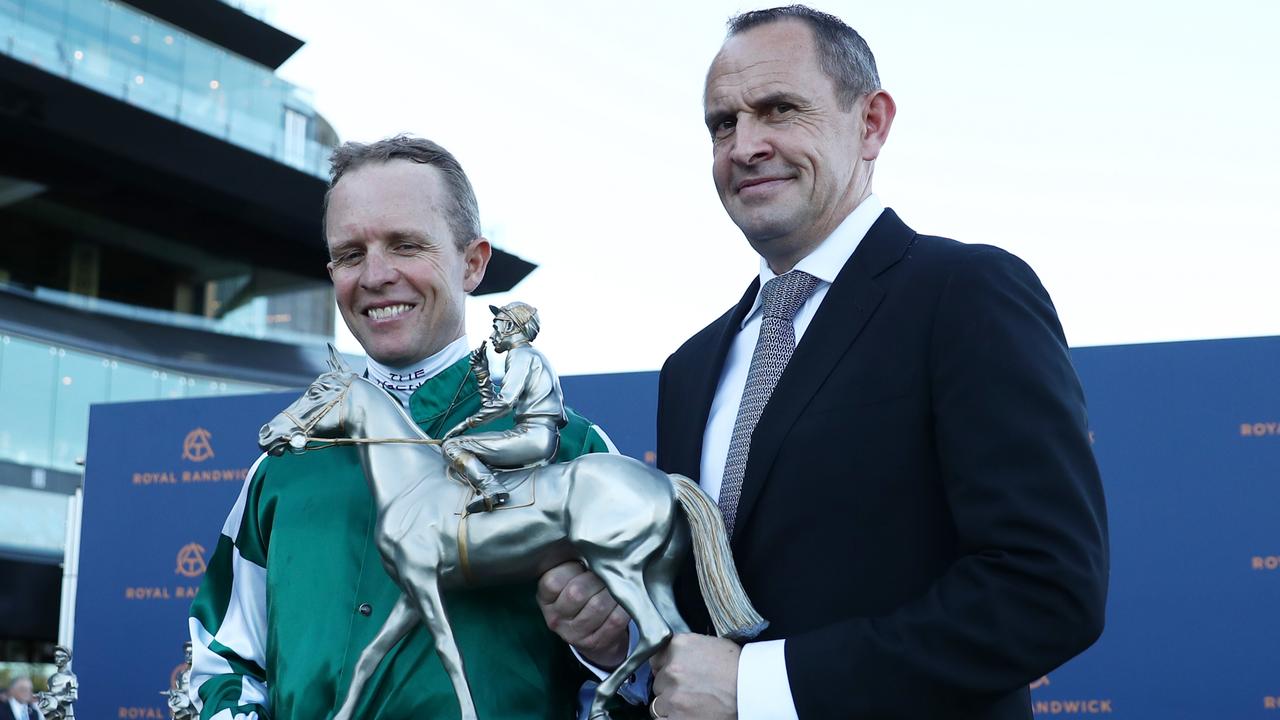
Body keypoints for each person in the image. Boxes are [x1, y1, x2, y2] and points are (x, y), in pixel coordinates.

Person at [539, 6, 1108, 719]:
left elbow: (1046, 591)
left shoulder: (965, 294)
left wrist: (763, 688)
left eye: (779, 110)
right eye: (723, 123)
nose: (745, 145)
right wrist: (621, 635)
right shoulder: (690, 368)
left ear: (871, 123)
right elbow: (709, 630)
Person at [188, 135, 619, 719]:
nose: (377, 275)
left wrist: (610, 646)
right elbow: (225, 660)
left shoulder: (576, 451)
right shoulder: (281, 469)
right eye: (350, 253)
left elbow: (648, 676)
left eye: (406, 244)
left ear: (473, 262)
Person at [442, 302, 568, 513]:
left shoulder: (521, 355)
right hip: (537, 435)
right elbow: (496, 404)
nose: (492, 334)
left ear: (509, 327)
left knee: (453, 446)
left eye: (496, 325)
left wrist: (465, 424)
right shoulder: (529, 355)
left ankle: (491, 489)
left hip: (533, 435)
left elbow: (504, 403)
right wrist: (482, 373)